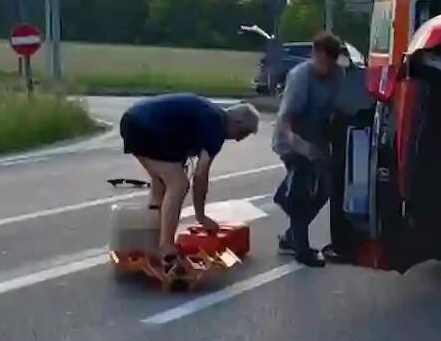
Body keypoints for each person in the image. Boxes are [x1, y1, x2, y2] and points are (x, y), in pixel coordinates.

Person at [120, 94, 261, 273]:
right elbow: (201, 175)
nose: (240, 139)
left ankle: (150, 240)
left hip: (133, 120)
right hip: (147, 127)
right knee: (178, 184)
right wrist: (201, 216)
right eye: (243, 133)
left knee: (162, 181)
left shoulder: (209, 115)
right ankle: (166, 249)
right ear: (237, 121)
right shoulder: (216, 126)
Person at [273, 31, 344, 267]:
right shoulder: (301, 76)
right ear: (315, 54)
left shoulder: (338, 75)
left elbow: (337, 108)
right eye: (325, 59)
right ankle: (301, 249)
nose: (328, 65)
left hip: (317, 140)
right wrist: (302, 148)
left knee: (326, 189)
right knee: (301, 191)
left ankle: (290, 234)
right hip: (293, 140)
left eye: (333, 59)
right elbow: (285, 119)